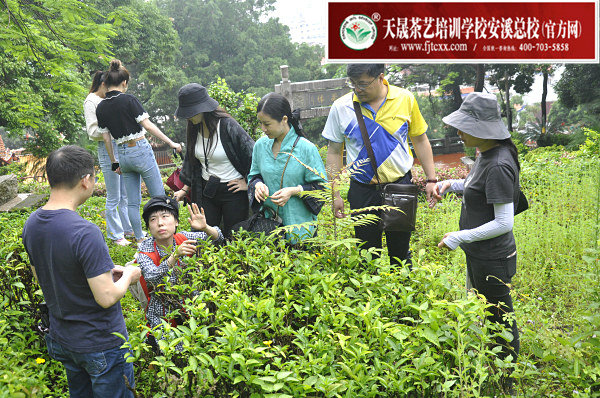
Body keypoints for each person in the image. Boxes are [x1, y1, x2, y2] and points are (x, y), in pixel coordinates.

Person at [22, 145, 142, 398]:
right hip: (100, 342)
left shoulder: (31, 224)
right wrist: (130, 275)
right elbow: (106, 297)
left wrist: (102, 273)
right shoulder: (85, 231)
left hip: (64, 339)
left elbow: (42, 276)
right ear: (86, 180)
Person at [431, 92, 521, 391]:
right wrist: (451, 184)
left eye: (464, 126)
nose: (458, 132)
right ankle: (495, 370)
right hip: (481, 254)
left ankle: (505, 382)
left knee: (501, 318)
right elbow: (475, 187)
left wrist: (459, 237)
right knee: (490, 312)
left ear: (482, 128)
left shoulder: (498, 164)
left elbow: (504, 222)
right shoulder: (487, 154)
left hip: (493, 256)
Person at [323, 64, 437, 266]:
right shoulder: (341, 107)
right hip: (362, 189)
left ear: (380, 78)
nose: (357, 89)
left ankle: (402, 289)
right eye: (353, 83)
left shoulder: (405, 99)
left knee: (400, 252)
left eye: (363, 84)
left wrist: (431, 179)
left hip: (399, 185)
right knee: (366, 254)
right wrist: (335, 193)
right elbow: (333, 151)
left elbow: (420, 140)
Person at [96, 59, 182, 244]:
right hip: (140, 150)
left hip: (123, 155)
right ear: (124, 82)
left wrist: (114, 162)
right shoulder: (129, 99)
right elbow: (148, 125)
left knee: (132, 203)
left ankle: (141, 238)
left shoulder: (101, 107)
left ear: (107, 83)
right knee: (159, 197)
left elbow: (106, 138)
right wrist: (171, 142)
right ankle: (168, 237)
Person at [173, 83, 255, 237]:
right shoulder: (193, 128)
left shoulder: (227, 125)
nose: (189, 116)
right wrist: (184, 190)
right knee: (204, 235)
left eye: (191, 112)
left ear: (203, 108)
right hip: (206, 190)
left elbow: (253, 153)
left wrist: (249, 182)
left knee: (234, 236)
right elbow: (192, 161)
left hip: (232, 190)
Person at [248, 93, 326, 243]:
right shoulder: (260, 146)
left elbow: (322, 189)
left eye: (267, 124)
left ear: (284, 119)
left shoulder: (306, 149)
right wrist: (257, 185)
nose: (263, 128)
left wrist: (295, 191)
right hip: (268, 228)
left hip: (301, 230)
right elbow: (253, 175)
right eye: (260, 123)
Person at [138, 196, 224, 333]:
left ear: (176, 222)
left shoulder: (183, 238)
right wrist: (175, 256)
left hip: (194, 309)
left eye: (165, 216)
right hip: (163, 317)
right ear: (148, 227)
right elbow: (152, 277)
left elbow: (218, 239)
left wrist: (206, 228)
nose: (160, 223)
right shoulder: (145, 250)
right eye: (153, 219)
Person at [83, 70, 134, 246]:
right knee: (114, 195)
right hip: (106, 149)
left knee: (124, 193)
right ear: (103, 84)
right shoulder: (91, 101)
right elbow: (92, 131)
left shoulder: (107, 99)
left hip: (120, 146)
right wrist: (112, 129)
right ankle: (115, 235)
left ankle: (127, 228)